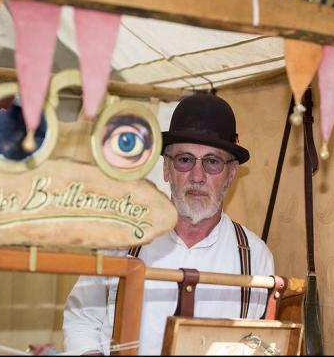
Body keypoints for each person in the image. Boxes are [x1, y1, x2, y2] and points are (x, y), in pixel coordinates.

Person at [63, 93, 274, 355]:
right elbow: (82, 320)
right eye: (185, 159)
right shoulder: (122, 239)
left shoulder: (255, 257)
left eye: (212, 162)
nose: (197, 176)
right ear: (166, 169)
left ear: (231, 174)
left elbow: (259, 344)